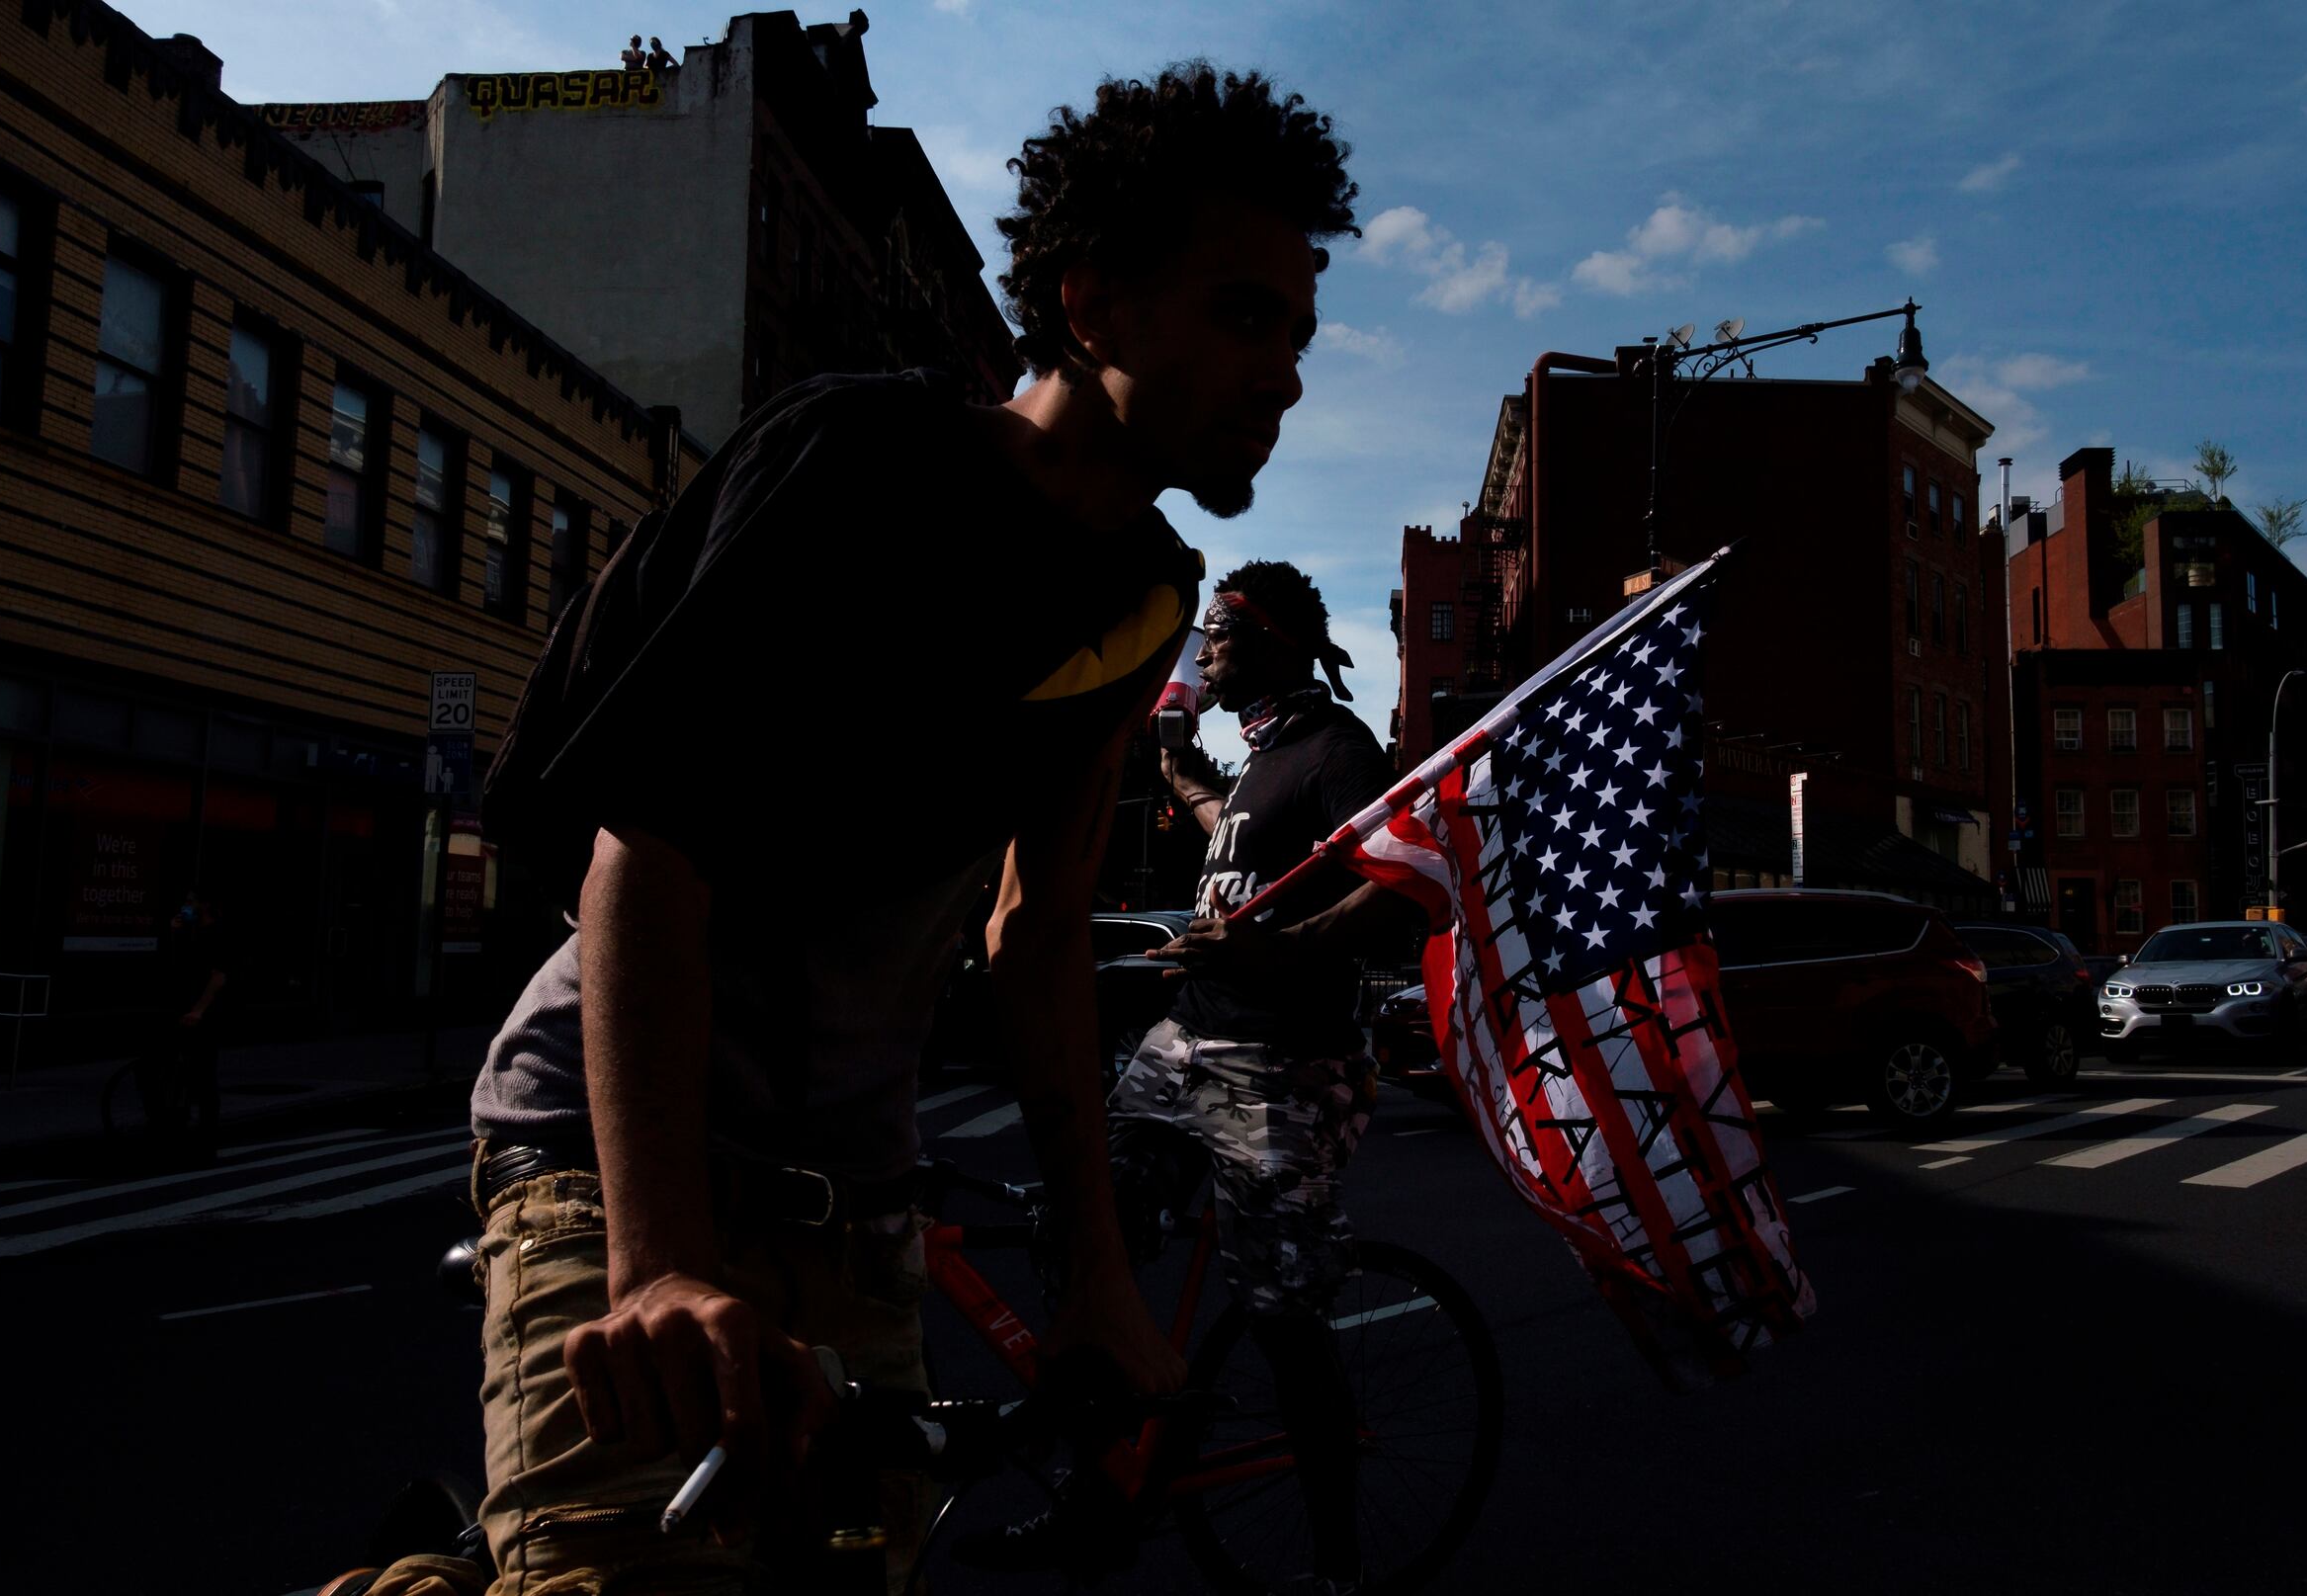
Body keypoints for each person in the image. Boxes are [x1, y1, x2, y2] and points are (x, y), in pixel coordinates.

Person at [370, 61, 1360, 1596]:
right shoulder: (862, 463)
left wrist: (1098, 1273)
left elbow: (1036, 936)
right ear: (1092, 302)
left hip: (853, 1197)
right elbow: (650, 847)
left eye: (1298, 330)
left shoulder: (1148, 597)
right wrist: (658, 1260)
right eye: (1245, 314)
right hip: (617, 1146)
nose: (1284, 373)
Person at [957, 562, 1418, 1592]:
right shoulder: (1258, 764)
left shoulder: (1337, 749)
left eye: (1220, 631)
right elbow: (1237, 836)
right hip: (1185, 1041)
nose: (1204, 648)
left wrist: (1280, 948)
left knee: (1282, 1314)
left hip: (1287, 1063)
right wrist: (1178, 778)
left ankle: (1338, 1564)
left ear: (1280, 642)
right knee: (1085, 1228)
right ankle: (1096, 1488)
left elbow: (1401, 888)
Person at [143, 884, 227, 1153]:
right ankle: (175, 1119)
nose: (186, 905)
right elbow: (180, 966)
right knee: (161, 1066)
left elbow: (219, 976)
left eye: (191, 901)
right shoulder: (193, 932)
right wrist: (175, 932)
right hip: (183, 1007)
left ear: (205, 904)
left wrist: (200, 1010)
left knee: (203, 1073)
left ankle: (206, 1134)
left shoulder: (216, 933)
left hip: (203, 1013)